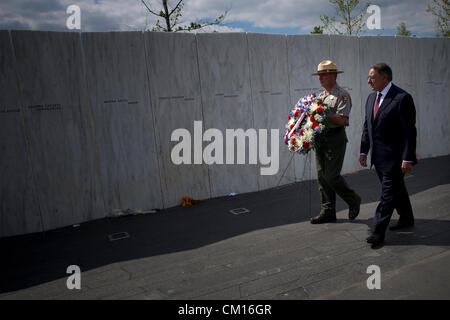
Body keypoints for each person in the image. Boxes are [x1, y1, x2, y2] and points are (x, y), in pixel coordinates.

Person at [360, 63, 417, 248]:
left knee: (387, 195)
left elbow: (409, 131)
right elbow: (367, 127)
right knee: (397, 189)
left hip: (394, 158)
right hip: (378, 158)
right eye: (369, 77)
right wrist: (363, 151)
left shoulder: (402, 98)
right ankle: (407, 218)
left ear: (385, 78)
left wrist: (407, 158)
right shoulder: (370, 98)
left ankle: (378, 232)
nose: (369, 81)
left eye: (372, 77)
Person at [310, 60, 361, 224]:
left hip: (335, 138)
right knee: (322, 177)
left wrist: (322, 114)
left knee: (331, 176)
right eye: (319, 76)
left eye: (323, 75)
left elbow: (342, 119)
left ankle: (353, 200)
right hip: (321, 139)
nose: (320, 79)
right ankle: (328, 211)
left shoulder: (342, 95)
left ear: (333, 75)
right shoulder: (320, 96)